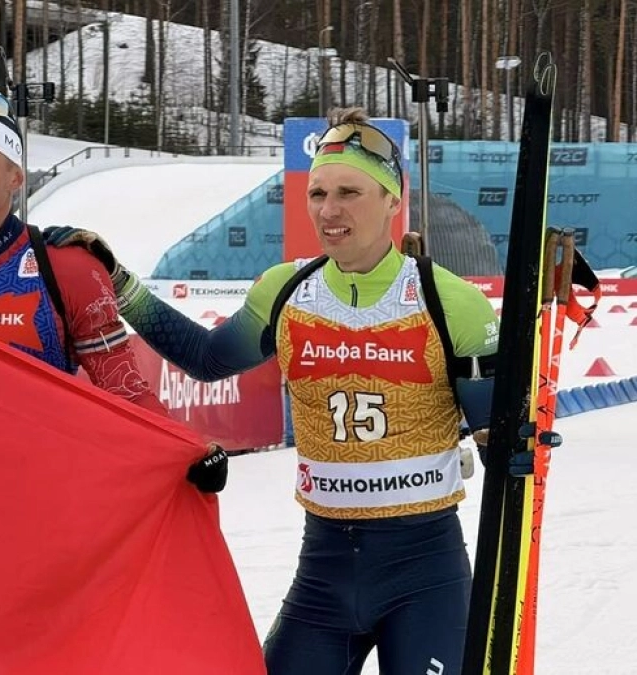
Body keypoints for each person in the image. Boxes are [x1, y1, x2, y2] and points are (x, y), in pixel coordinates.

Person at [44, 108, 500, 674]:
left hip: (426, 570)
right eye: (318, 193)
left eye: (350, 192)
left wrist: (506, 435)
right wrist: (118, 281)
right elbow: (208, 360)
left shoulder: (449, 301)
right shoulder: (287, 290)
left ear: (391, 198)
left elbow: (492, 431)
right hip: (326, 568)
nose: (329, 211)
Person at [0, 85, 227, 493]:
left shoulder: (67, 267)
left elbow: (125, 389)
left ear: (15, 177)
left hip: (36, 508)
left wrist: (189, 450)